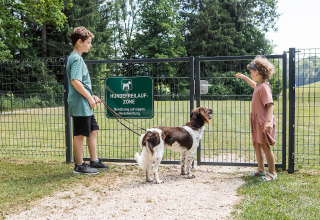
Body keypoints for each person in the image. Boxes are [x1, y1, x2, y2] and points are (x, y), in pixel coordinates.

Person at [66, 26, 108, 174]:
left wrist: (91, 95)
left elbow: (81, 83)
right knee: (79, 135)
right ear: (79, 42)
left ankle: (94, 161)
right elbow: (75, 81)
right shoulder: (76, 59)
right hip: (80, 104)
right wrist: (89, 97)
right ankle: (79, 165)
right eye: (88, 42)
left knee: (93, 130)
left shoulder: (77, 58)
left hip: (84, 102)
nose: (90, 45)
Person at [235, 56, 277, 181]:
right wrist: (245, 78)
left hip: (262, 121)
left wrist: (268, 121)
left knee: (264, 145)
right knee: (256, 144)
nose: (251, 74)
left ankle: (272, 173)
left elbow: (270, 105)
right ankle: (261, 170)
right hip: (255, 119)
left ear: (258, 73)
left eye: (251, 72)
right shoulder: (259, 85)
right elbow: (254, 85)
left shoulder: (264, 87)